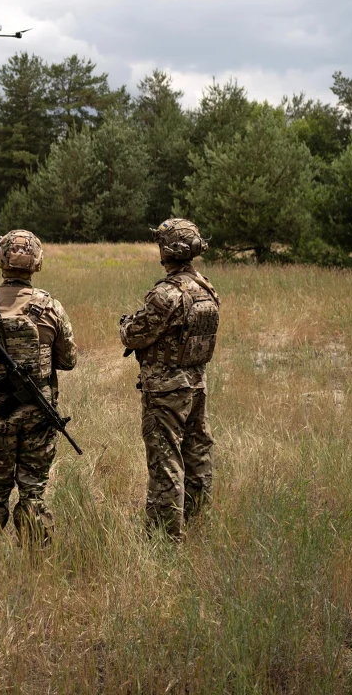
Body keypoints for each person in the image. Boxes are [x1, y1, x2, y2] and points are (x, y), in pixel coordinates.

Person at [0, 230, 78, 545]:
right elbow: (68, 360)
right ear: (36, 263)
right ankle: (36, 558)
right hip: (39, 415)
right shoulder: (51, 307)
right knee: (33, 492)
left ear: (1, 260)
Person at [119, 218, 221, 540]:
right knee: (197, 452)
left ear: (166, 250)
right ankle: (195, 520)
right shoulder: (206, 287)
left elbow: (134, 335)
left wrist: (125, 325)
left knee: (165, 461)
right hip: (197, 383)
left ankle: (164, 540)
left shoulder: (166, 293)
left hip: (166, 390)